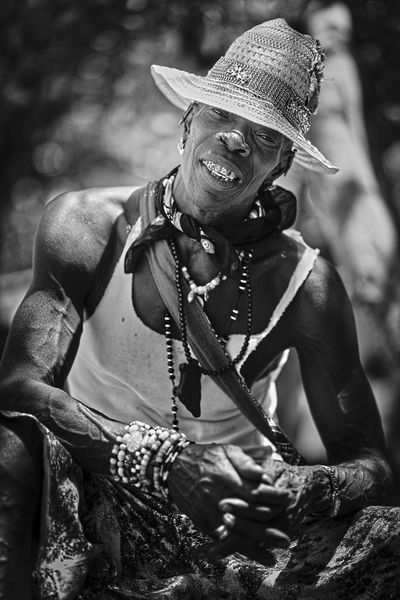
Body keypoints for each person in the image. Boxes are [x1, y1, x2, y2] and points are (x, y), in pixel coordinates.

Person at [0, 18, 398, 600]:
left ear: (280, 166)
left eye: (265, 137)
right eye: (221, 114)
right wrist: (165, 463)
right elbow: (19, 389)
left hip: (237, 514)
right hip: (98, 476)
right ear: (189, 121)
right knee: (8, 450)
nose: (236, 138)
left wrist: (303, 487)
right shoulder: (86, 227)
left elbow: (371, 464)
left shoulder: (306, 285)